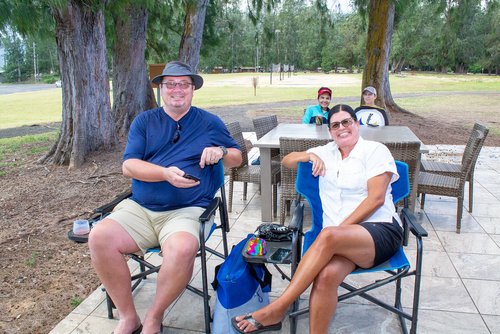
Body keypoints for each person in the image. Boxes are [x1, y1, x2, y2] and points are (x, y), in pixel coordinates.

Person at [88, 61, 242, 334]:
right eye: (170, 84)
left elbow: (237, 156)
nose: (177, 89)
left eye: (184, 84)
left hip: (189, 209)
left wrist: (220, 151)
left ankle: (154, 317)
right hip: (142, 207)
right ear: (161, 89)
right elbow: (129, 166)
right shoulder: (145, 122)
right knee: (99, 237)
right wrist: (164, 174)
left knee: (182, 248)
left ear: (193, 89)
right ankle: (128, 317)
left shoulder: (209, 122)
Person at [232, 104, 403, 334]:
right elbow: (287, 160)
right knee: (325, 277)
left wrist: (337, 234)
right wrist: (309, 155)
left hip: (379, 232)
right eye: (335, 125)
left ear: (356, 123)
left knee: (329, 235)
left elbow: (376, 200)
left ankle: (278, 308)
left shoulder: (375, 151)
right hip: (338, 242)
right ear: (330, 131)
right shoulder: (326, 151)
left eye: (346, 122)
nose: (341, 128)